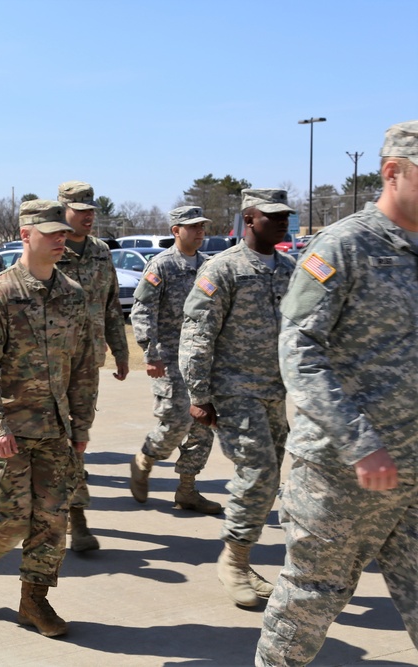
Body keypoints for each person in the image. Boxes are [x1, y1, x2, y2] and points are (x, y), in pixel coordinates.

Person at [256, 121, 418, 665]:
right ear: (392, 172)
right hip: (341, 475)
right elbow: (299, 349)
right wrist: (359, 440)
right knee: (308, 605)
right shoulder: (345, 245)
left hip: (415, 471)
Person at [0, 200, 95, 638]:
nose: (60, 239)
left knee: (53, 517)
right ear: (25, 235)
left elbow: (85, 365)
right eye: (50, 232)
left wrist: (82, 426)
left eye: (63, 232)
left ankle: (33, 600)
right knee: (12, 517)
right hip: (8, 429)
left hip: (54, 428)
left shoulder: (72, 295)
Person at [179, 188, 296, 607]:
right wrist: (199, 392)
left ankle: (242, 561)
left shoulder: (289, 267)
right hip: (234, 390)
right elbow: (197, 331)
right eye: (273, 216)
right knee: (259, 472)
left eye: (286, 216)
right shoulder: (223, 269)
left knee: (270, 475)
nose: (283, 222)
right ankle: (234, 559)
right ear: (249, 218)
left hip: (274, 392)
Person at [128, 206, 221, 514]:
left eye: (202, 226)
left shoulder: (211, 266)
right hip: (170, 358)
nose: (199, 231)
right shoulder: (162, 265)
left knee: (202, 424)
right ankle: (146, 458)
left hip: (203, 361)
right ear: (175, 230)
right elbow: (142, 309)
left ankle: (187, 490)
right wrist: (150, 352)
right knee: (175, 421)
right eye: (192, 226)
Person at [56, 180, 130, 553]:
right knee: (62, 440)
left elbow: (112, 304)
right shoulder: (51, 249)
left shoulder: (101, 252)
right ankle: (75, 516)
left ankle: (72, 512)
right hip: (51, 362)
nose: (87, 217)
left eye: (91, 212)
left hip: (88, 363)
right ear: (63, 209)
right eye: (80, 211)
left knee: (78, 437)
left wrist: (121, 349)